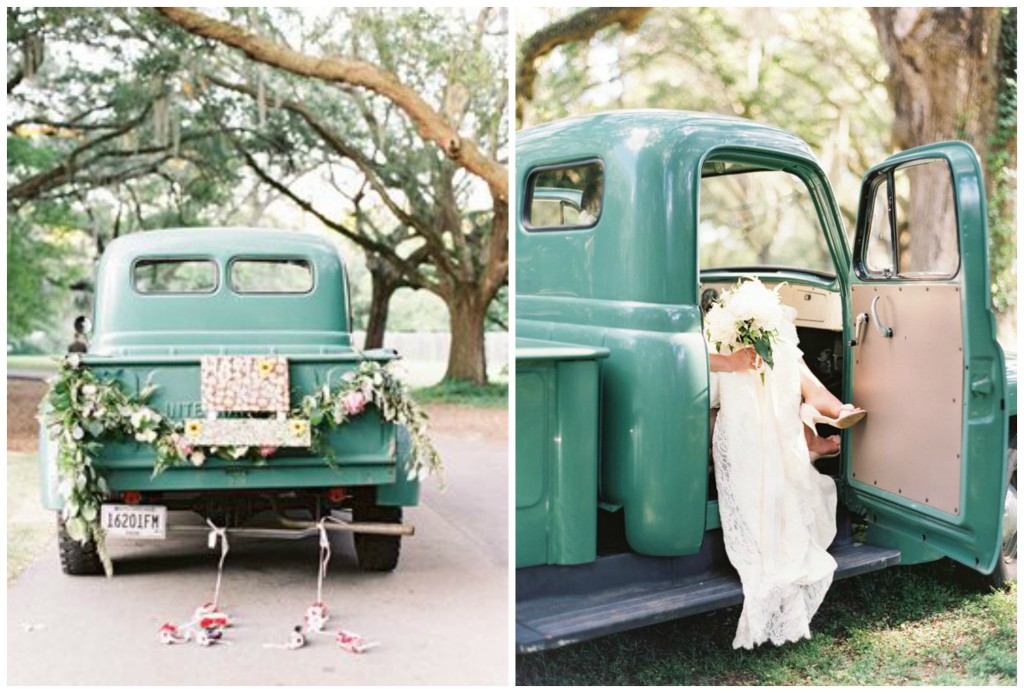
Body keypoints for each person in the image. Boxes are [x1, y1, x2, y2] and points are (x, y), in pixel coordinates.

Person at [707, 329, 864, 648]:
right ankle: (815, 421)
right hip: (710, 401)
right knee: (757, 394)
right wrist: (729, 360)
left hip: (725, 384)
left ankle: (816, 409)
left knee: (774, 351)